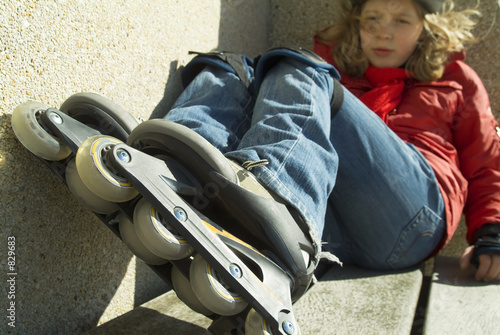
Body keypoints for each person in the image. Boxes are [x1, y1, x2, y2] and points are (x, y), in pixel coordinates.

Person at [163, 0, 500, 282]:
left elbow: (487, 162)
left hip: (409, 219)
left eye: (401, 20)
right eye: (372, 19)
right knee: (235, 70)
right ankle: (174, 175)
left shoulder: (455, 81)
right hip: (327, 224)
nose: (384, 31)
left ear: (426, 28)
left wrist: (492, 234)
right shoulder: (337, 73)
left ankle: (275, 197)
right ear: (355, 23)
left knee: (297, 64)